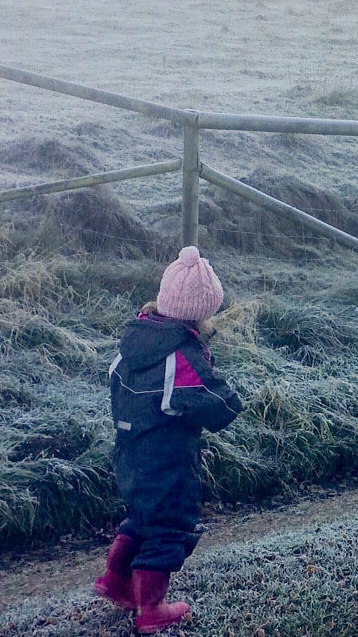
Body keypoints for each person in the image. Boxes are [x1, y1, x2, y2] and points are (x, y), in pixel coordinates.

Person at [92, 246, 245, 634]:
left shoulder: (134, 344)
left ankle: (115, 579)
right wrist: (231, 403)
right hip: (167, 457)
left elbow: (119, 388)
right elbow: (210, 401)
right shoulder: (180, 355)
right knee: (172, 524)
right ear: (199, 312)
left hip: (129, 450)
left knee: (143, 516)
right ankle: (151, 608)